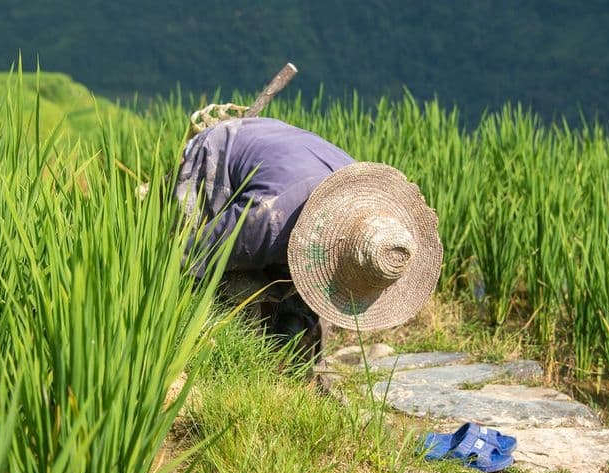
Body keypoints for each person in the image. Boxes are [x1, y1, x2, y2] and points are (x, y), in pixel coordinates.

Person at [175, 111, 443, 364]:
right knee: (220, 274)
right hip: (221, 150)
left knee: (298, 296)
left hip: (286, 151)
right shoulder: (268, 220)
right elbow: (191, 254)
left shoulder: (362, 195)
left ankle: (292, 355)